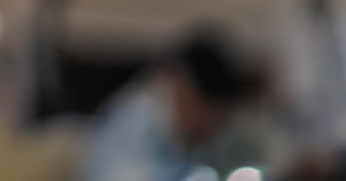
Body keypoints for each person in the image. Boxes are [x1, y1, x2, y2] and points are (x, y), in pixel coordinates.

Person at [81, 30, 284, 181]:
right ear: (184, 89)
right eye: (209, 114)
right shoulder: (135, 124)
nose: (210, 128)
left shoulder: (174, 126)